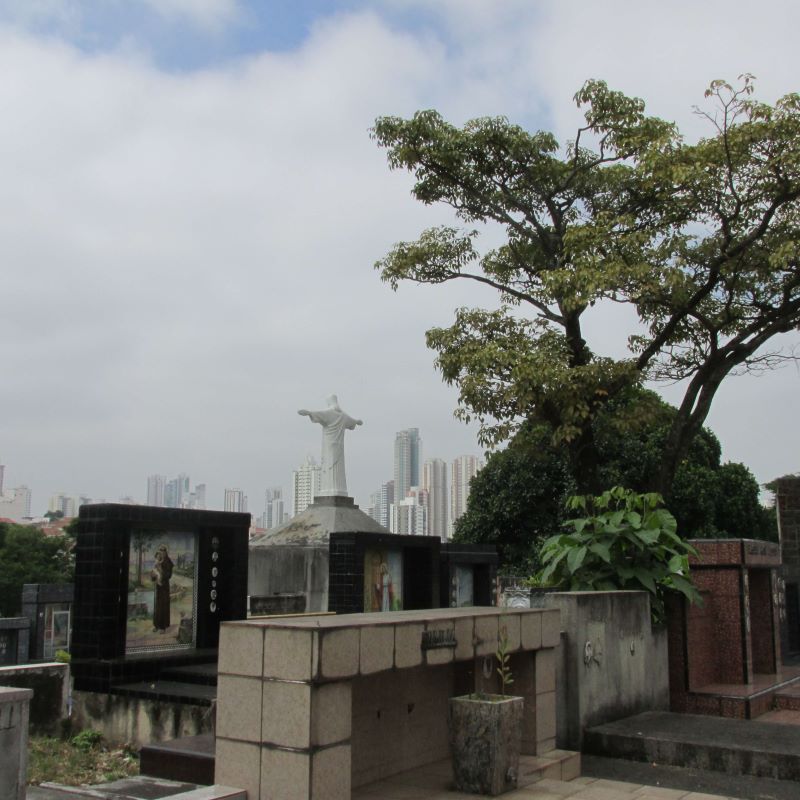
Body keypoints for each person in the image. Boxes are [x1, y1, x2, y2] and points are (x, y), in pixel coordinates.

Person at [298, 394, 362, 496]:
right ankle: (338, 489)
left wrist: (309, 413)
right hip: (339, 446)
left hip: (329, 445)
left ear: (329, 402)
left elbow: (318, 413)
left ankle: (329, 489)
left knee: (328, 467)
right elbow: (353, 421)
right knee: (337, 469)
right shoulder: (343, 415)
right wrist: (357, 422)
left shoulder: (329, 413)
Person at [151, 544, 174, 633]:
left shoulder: (168, 562)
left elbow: (169, 575)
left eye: (163, 551)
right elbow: (153, 572)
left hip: (164, 587)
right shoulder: (158, 560)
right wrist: (153, 576)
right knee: (157, 606)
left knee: (163, 606)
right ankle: (156, 625)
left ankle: (163, 627)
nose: (162, 553)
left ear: (166, 552)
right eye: (160, 551)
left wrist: (161, 571)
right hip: (158, 587)